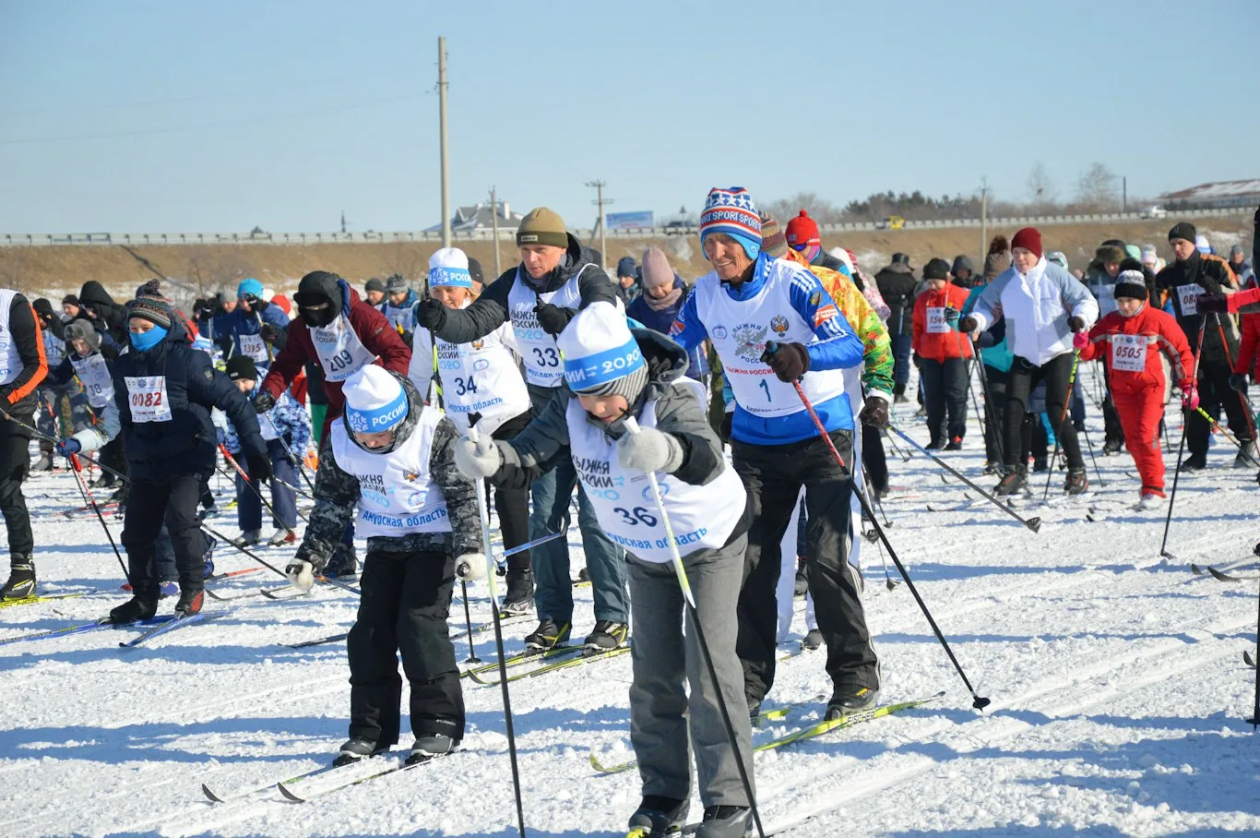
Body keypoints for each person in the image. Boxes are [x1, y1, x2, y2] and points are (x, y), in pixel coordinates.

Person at [455, 303, 756, 837]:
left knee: (709, 669)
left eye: (607, 395)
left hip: (708, 543)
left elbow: (707, 457)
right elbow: (529, 457)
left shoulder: (672, 396)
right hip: (646, 551)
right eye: (587, 397)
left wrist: (665, 449)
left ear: (633, 375)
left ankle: (728, 801)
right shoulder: (571, 406)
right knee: (653, 676)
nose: (597, 409)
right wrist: (494, 459)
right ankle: (663, 793)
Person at [669, 186, 877, 721]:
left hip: (821, 431)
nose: (716, 254)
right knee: (753, 564)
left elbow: (850, 344)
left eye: (725, 242)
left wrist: (802, 353)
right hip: (758, 444)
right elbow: (665, 343)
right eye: (708, 243)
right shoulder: (704, 296)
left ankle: (854, 675)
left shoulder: (796, 282)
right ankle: (749, 683)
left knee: (828, 559)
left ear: (748, 239)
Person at [415, 207, 629, 653]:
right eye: (525, 250)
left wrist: (569, 326)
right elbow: (473, 321)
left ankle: (611, 617)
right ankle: (553, 618)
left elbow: (609, 327)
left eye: (541, 251)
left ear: (561, 247)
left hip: (595, 408)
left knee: (595, 518)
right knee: (544, 518)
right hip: (549, 413)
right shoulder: (513, 284)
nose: (532, 260)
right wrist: (440, 320)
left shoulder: (587, 278)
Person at [285, 365, 482, 766]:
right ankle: (370, 731)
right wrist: (311, 556)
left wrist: (471, 547)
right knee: (369, 633)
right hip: (384, 544)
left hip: (436, 543)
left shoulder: (434, 430)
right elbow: (332, 502)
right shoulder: (341, 439)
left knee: (418, 625)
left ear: (399, 422)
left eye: (380, 437)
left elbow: (462, 494)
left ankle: (438, 724)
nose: (372, 444)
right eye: (365, 437)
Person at [107, 298, 271, 623]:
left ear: (164, 328)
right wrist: (130, 453)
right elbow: (126, 416)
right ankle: (144, 597)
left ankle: (192, 589)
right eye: (133, 329)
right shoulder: (125, 367)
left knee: (180, 519)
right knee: (136, 532)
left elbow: (235, 403)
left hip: (190, 454)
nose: (138, 334)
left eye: (146, 328)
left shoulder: (189, 361)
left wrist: (256, 450)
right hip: (147, 461)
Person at [256, 270, 411, 577]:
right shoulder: (302, 328)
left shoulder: (363, 317)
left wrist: (386, 391)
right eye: (309, 312)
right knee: (331, 483)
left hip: (377, 410)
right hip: (339, 410)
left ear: (334, 302)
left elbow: (398, 352)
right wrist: (269, 392)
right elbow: (285, 364)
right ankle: (341, 553)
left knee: (387, 480)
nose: (316, 317)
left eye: (321, 311)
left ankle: (403, 547)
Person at [407, 247, 534, 613]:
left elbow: (527, 346)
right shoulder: (426, 328)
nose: (444, 298)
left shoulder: (488, 315)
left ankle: (521, 577)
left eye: (451, 291)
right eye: (437, 291)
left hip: (509, 416)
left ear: (467, 290)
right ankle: (472, 567)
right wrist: (414, 420)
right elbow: (418, 376)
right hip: (464, 425)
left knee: (509, 501)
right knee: (468, 505)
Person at [960, 226, 1099, 496]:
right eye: (1016, 253)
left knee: (1057, 409)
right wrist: (975, 321)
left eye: (1026, 253)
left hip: (1058, 352)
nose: (1021, 258)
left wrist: (1080, 319)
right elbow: (987, 307)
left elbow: (1086, 300)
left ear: (1037, 252)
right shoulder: (1006, 281)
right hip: (1024, 354)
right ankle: (1015, 470)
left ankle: (1076, 470)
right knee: (1013, 410)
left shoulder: (1056, 276)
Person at [1074, 270, 1193, 508]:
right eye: (1120, 301)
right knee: (1132, 441)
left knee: (1145, 434)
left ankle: (1154, 488)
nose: (1125, 306)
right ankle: (1147, 482)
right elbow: (1092, 351)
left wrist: (1189, 385)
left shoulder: (1158, 320)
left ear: (1143, 298)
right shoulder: (1111, 322)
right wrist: (1082, 342)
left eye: (1130, 301)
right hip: (1122, 390)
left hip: (1151, 387)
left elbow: (1182, 353)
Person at [1155, 221, 1253, 470]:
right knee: (1194, 400)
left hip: (1222, 341)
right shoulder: (1169, 274)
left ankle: (1247, 440)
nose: (1177, 248)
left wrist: (1216, 289)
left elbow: (1238, 296)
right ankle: (1197, 452)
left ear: (1193, 242)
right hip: (1191, 347)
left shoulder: (1214, 264)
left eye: (1181, 243)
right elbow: (1155, 303)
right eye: (1173, 245)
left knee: (1231, 397)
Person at [222, 355, 308, 547]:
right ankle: (250, 529)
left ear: (253, 378)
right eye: (235, 382)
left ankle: (285, 526)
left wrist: (297, 451)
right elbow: (230, 425)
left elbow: (301, 422)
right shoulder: (229, 396)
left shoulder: (271, 390)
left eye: (245, 381)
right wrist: (234, 451)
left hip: (279, 437)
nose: (241, 387)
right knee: (244, 475)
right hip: (252, 440)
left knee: (280, 473)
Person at [0, 289, 49, 600]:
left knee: (5, 486)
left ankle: (22, 570)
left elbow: (38, 364)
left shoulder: (12, 304)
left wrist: (7, 396)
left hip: (13, 404)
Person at [963, 238, 1014, 474]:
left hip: (1018, 357)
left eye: (998, 278)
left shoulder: (1017, 290)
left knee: (1017, 411)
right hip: (992, 358)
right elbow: (963, 319)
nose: (994, 283)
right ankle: (994, 457)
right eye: (990, 278)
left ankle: (1018, 457)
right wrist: (961, 322)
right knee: (994, 410)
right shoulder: (978, 293)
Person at [913, 258, 973, 450]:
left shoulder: (960, 295)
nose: (932, 286)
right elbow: (917, 326)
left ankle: (956, 436)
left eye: (935, 282)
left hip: (956, 353)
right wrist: (917, 350)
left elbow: (971, 319)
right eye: (929, 282)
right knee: (933, 398)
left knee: (956, 396)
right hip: (930, 355)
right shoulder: (923, 299)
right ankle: (937, 437)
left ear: (945, 278)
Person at [626, 247, 710, 385]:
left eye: (663, 285)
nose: (659, 291)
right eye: (653, 288)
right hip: (658, 372)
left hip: (691, 369)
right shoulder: (638, 307)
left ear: (671, 279)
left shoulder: (686, 299)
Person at [212, 278, 290, 371]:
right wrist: (205, 319)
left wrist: (264, 307)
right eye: (241, 300)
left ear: (258, 297)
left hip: (270, 370)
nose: (244, 305)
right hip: (245, 372)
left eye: (248, 300)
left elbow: (286, 328)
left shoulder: (270, 314)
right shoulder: (235, 317)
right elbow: (213, 331)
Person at [874, 253, 917, 404]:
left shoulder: (879, 277)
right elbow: (914, 302)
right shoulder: (910, 279)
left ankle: (882, 388)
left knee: (883, 357)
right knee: (902, 357)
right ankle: (899, 391)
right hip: (903, 324)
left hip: (882, 324)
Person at [379, 274, 419, 345]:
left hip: (411, 351)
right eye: (390, 293)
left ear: (404, 291)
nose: (392, 298)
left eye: (395, 293)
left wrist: (408, 339)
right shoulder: (386, 306)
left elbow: (423, 336)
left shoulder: (416, 307)